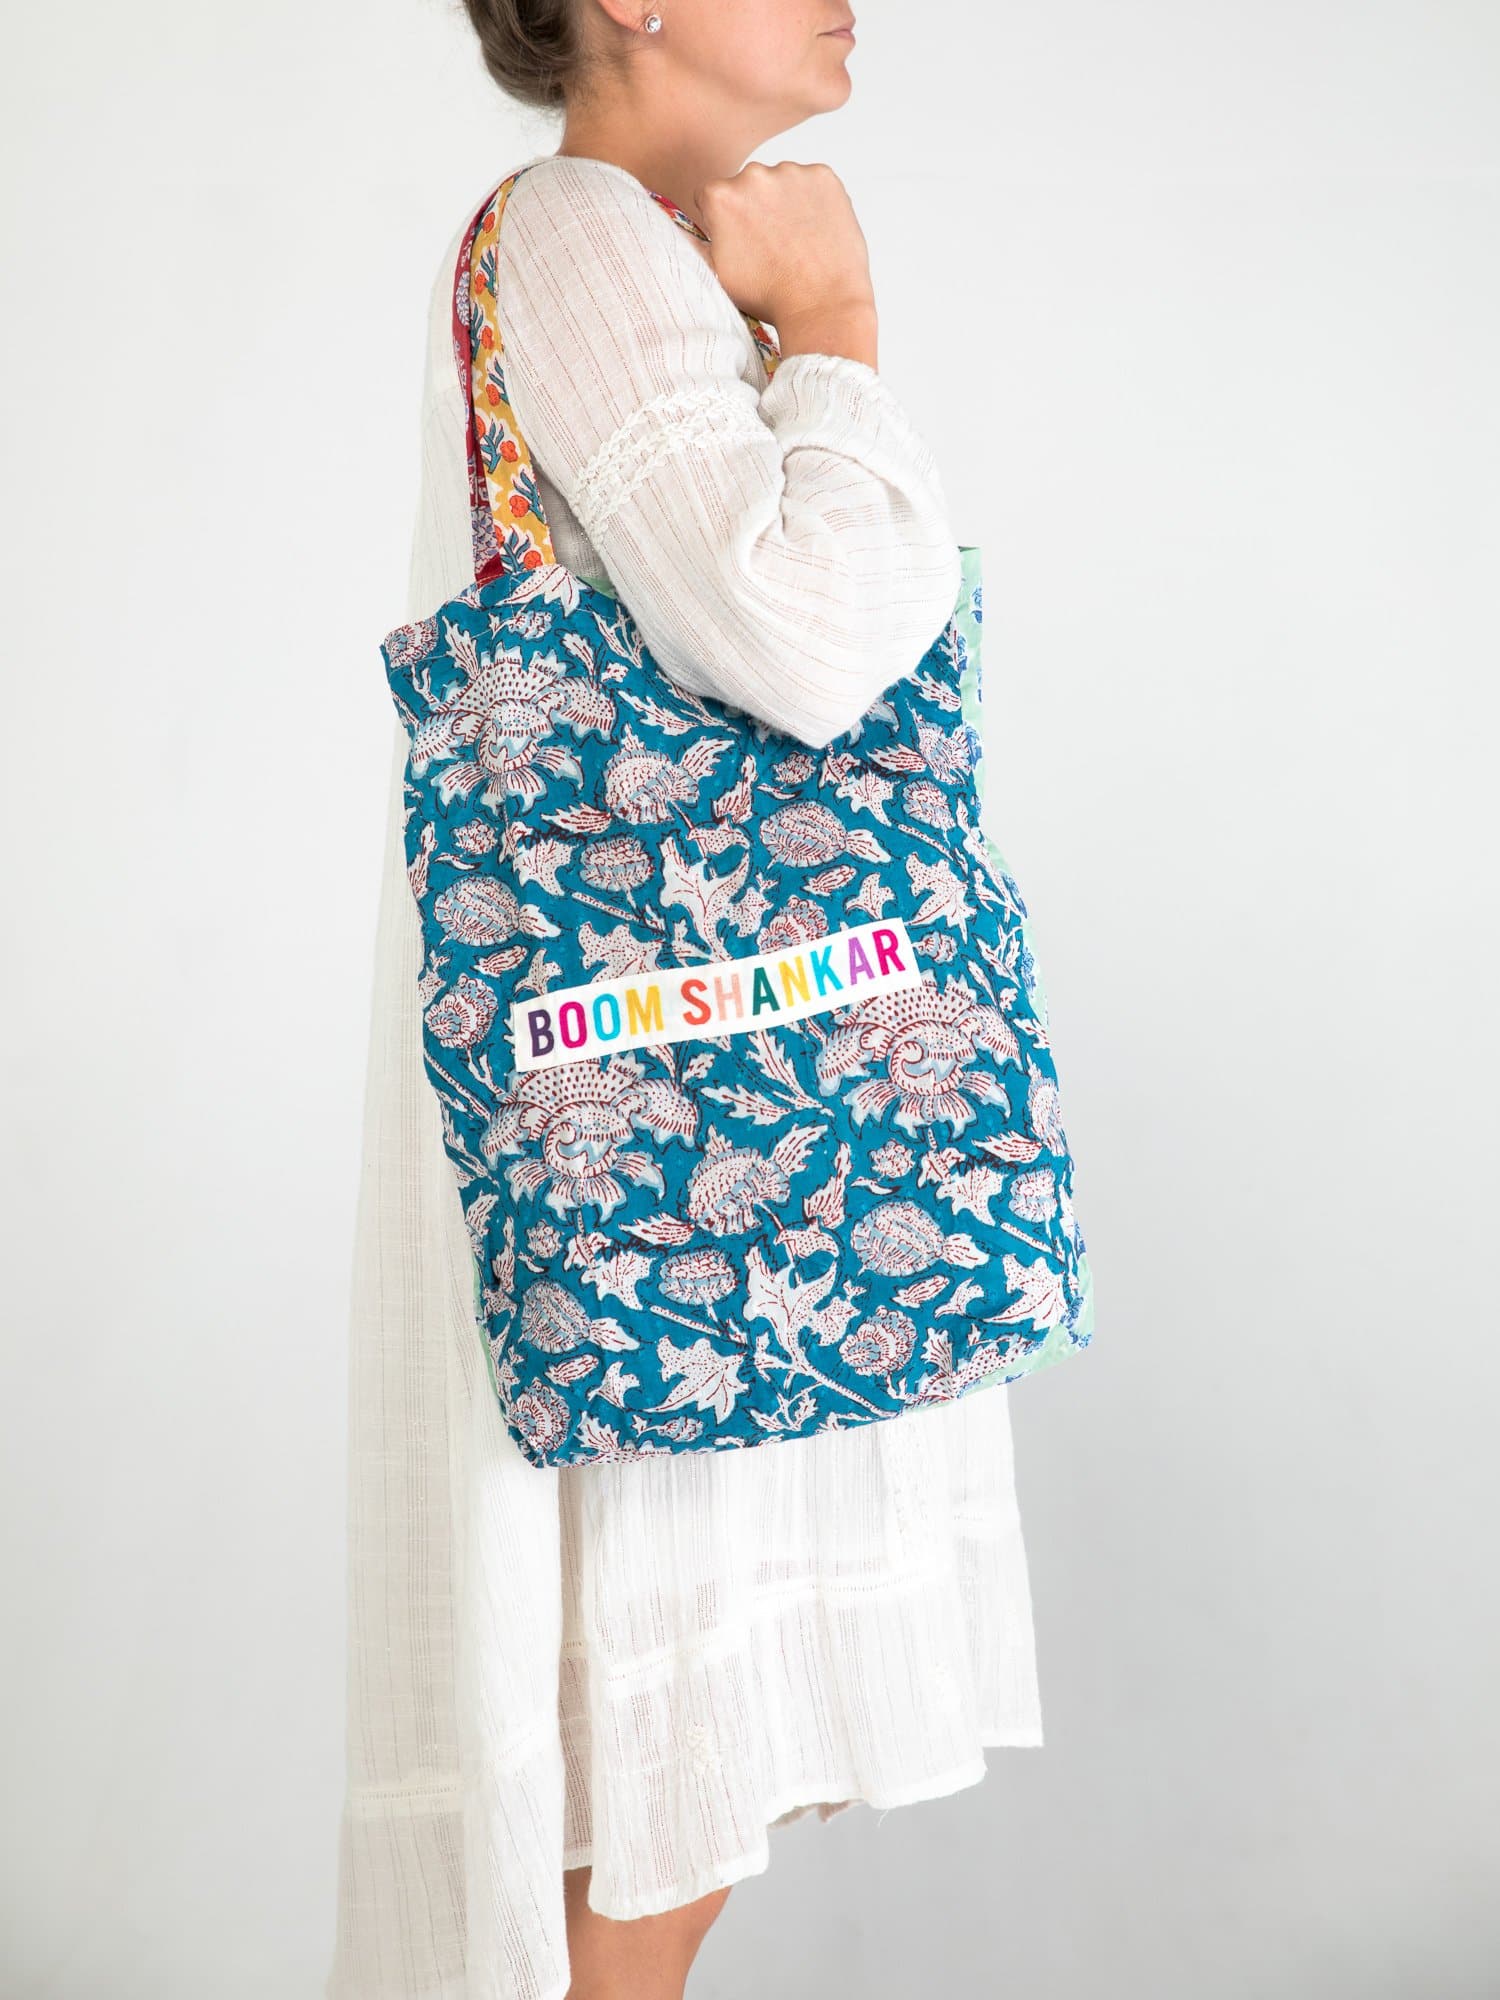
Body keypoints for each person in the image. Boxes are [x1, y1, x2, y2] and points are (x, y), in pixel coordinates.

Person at [327, 6, 1047, 1998]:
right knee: (653, 1836)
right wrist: (838, 320)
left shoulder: (621, 240)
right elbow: (806, 639)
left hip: (715, 1136)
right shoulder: (582, 231)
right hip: (699, 1168)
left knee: (671, 1832)